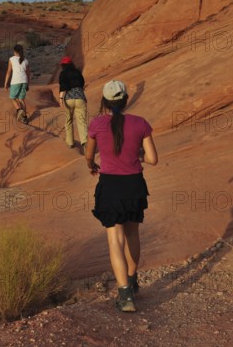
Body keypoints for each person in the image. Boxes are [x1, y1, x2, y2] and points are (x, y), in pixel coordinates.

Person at [85, 80, 158, 313]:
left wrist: (91, 164)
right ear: (126, 100)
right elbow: (153, 159)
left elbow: (88, 154)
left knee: (115, 239)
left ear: (105, 102)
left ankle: (125, 295)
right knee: (132, 233)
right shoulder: (140, 123)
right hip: (134, 185)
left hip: (111, 187)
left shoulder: (97, 123)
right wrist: (138, 155)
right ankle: (133, 278)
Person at [58, 56, 88, 149]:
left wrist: (60, 98)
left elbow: (63, 87)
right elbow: (82, 84)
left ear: (63, 65)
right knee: (81, 121)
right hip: (80, 97)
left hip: (69, 99)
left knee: (68, 120)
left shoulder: (63, 73)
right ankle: (85, 142)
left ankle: (70, 142)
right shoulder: (78, 72)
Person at [4, 44, 31, 124]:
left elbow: (9, 72)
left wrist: (6, 83)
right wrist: (28, 84)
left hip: (16, 81)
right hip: (24, 81)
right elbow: (28, 73)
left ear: (15, 51)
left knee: (12, 97)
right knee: (21, 99)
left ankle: (19, 110)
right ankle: (25, 118)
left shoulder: (11, 59)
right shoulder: (26, 60)